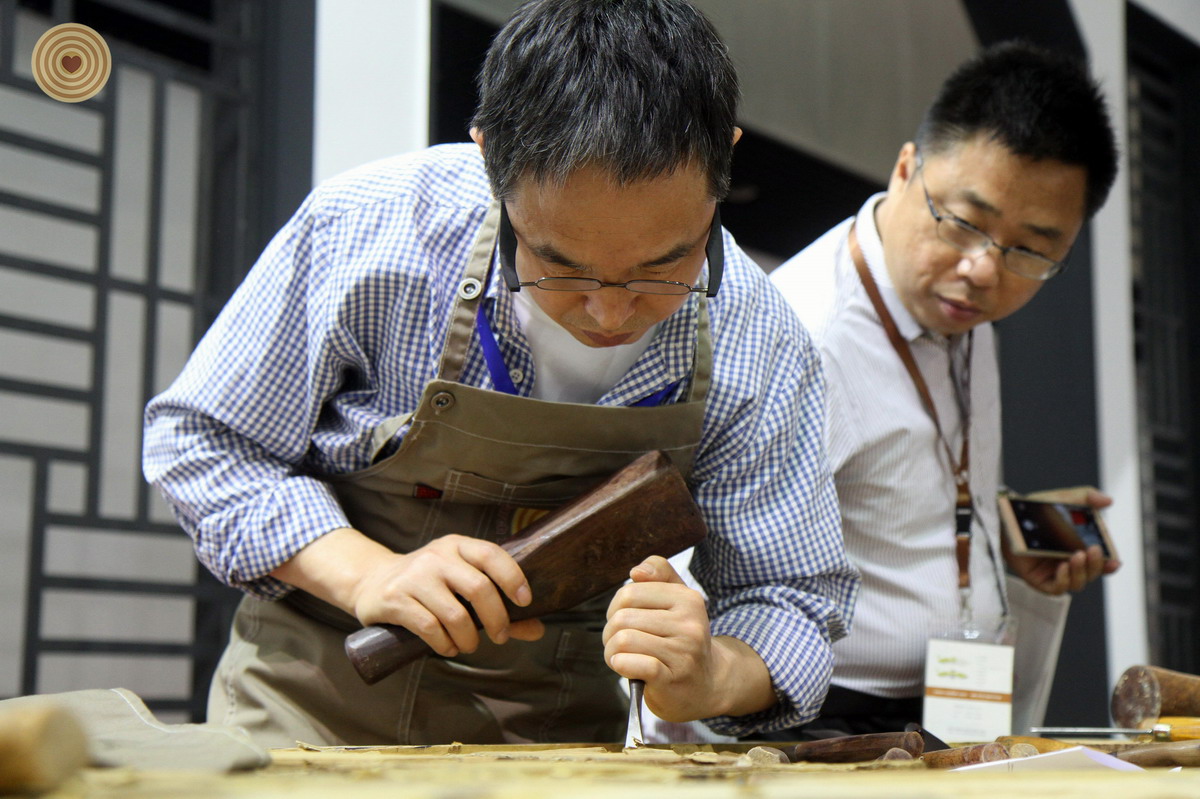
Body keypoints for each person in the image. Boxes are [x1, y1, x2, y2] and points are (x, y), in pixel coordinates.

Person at [143, 0, 858, 747]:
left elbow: (791, 597)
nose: (608, 314)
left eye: (662, 267)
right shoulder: (372, 231)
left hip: (549, 740)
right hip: (304, 707)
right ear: (488, 157)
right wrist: (367, 575)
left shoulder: (760, 338)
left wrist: (712, 672)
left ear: (725, 160)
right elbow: (204, 441)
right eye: (558, 264)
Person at [768, 41, 1121, 736]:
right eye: (964, 222)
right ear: (906, 170)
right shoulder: (804, 337)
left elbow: (886, 483)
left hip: (945, 713)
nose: (984, 269)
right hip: (823, 725)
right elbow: (711, 572)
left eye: (1030, 249)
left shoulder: (954, 306)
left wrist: (999, 530)